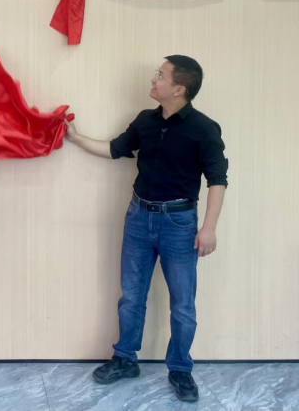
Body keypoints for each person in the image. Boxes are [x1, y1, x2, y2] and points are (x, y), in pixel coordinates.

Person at [66, 55, 227, 402]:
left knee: (182, 303)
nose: (154, 79)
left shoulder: (204, 128)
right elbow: (114, 149)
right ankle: (125, 358)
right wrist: (74, 138)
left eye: (160, 75)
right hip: (138, 217)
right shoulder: (145, 120)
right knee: (131, 295)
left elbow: (217, 179)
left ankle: (180, 369)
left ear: (179, 89)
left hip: (179, 224)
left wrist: (209, 228)